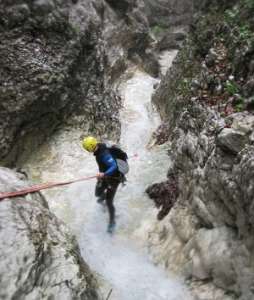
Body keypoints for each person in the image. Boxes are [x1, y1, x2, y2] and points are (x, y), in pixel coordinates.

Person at [82, 136, 123, 233]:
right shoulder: (99, 148)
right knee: (98, 195)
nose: (87, 150)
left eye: (86, 149)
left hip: (114, 178)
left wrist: (104, 173)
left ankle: (112, 222)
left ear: (90, 147)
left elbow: (114, 165)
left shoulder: (103, 154)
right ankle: (105, 201)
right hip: (105, 177)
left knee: (109, 202)